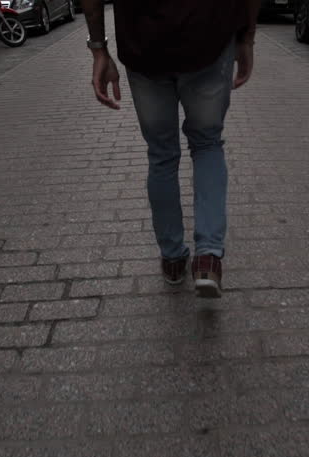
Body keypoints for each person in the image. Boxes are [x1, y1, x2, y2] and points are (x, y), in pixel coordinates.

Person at [82, 0, 260, 298]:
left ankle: (173, 259)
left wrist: (99, 49)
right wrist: (247, 37)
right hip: (210, 36)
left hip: (143, 44)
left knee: (161, 155)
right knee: (207, 145)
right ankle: (207, 258)